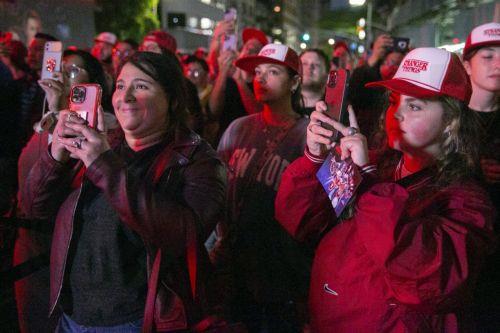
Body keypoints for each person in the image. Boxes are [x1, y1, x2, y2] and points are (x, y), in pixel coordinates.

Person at [275, 47, 495, 332]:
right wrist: (315, 158)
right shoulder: (374, 163)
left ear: (450, 123)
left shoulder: (466, 200)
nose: (397, 114)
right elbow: (301, 220)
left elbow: (426, 276)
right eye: (393, 102)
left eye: (414, 106)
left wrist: (368, 184)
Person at [19, 51, 227, 332]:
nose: (125, 96)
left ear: (172, 99)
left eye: (141, 86)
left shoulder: (197, 160)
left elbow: (183, 233)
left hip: (137, 319)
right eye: (119, 86)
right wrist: (55, 156)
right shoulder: (101, 141)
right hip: (72, 315)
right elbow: (34, 207)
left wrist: (103, 164)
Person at [14, 49, 116, 333]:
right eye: (60, 67)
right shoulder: (46, 118)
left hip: (63, 250)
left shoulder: (105, 126)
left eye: (73, 71)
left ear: (93, 83)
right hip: (28, 244)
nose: (61, 75)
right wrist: (55, 110)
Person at [214, 43, 311, 332]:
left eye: (273, 71)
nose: (261, 78)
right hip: (233, 268)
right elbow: (217, 187)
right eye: (257, 72)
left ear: (294, 82)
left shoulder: (309, 135)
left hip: (280, 276)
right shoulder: (237, 128)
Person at [462, 21, 500, 332]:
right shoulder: (447, 118)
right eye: (487, 56)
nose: (498, 64)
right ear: (466, 65)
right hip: (460, 254)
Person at [208, 27, 268, 144]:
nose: (248, 52)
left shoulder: (263, 83)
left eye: (254, 50)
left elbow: (259, 115)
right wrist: (223, 71)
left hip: (250, 144)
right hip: (224, 144)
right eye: (246, 48)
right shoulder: (226, 78)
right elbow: (213, 111)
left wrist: (239, 80)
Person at [348, 34, 408, 147]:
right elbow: (353, 94)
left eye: (399, 64)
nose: (393, 67)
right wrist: (373, 58)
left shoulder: (407, 90)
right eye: (390, 62)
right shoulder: (369, 82)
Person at [140, 30, 203, 134]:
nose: (145, 52)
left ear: (166, 52)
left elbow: (193, 125)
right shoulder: (138, 81)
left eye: (151, 48)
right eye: (143, 48)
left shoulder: (183, 85)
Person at [299, 48, 328, 115]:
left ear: (326, 75)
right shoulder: (281, 104)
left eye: (316, 65)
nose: (309, 67)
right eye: (304, 64)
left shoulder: (336, 110)